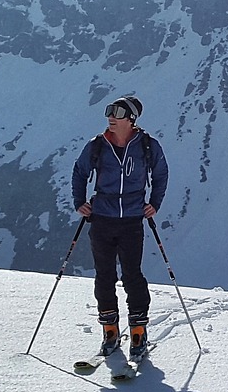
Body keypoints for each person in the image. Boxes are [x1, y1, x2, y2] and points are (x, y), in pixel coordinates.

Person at [71, 95, 169, 358]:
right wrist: (79, 201)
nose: (110, 116)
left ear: (132, 118)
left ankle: (138, 331)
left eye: (117, 112)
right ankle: (110, 330)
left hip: (131, 222)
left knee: (132, 276)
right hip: (102, 219)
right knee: (105, 276)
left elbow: (160, 175)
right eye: (109, 111)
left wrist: (154, 203)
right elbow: (80, 171)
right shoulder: (97, 146)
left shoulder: (147, 146)